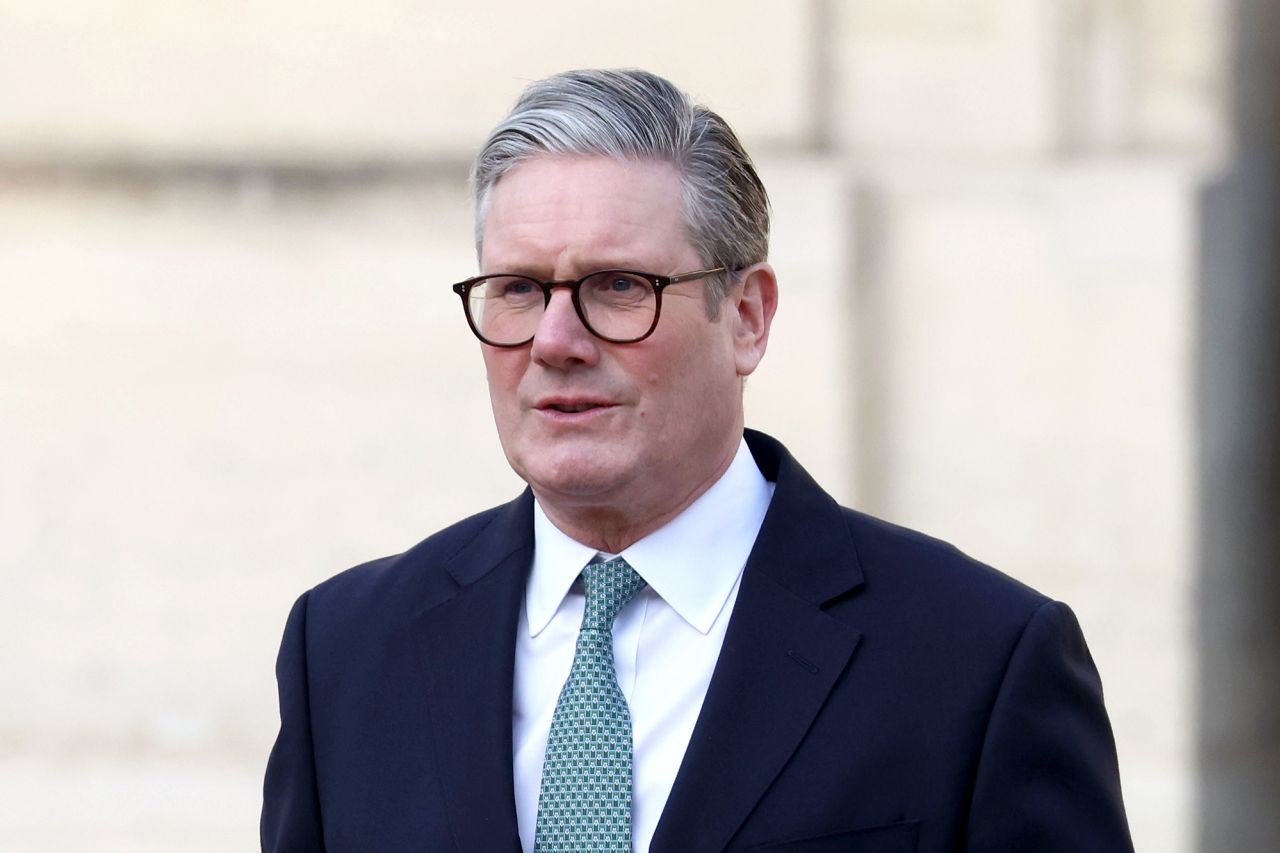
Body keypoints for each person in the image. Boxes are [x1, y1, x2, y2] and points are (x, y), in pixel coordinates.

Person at [261, 68, 1133, 852]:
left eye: (618, 287)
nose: (555, 341)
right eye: (519, 289)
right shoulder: (344, 649)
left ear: (747, 316)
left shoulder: (977, 661)